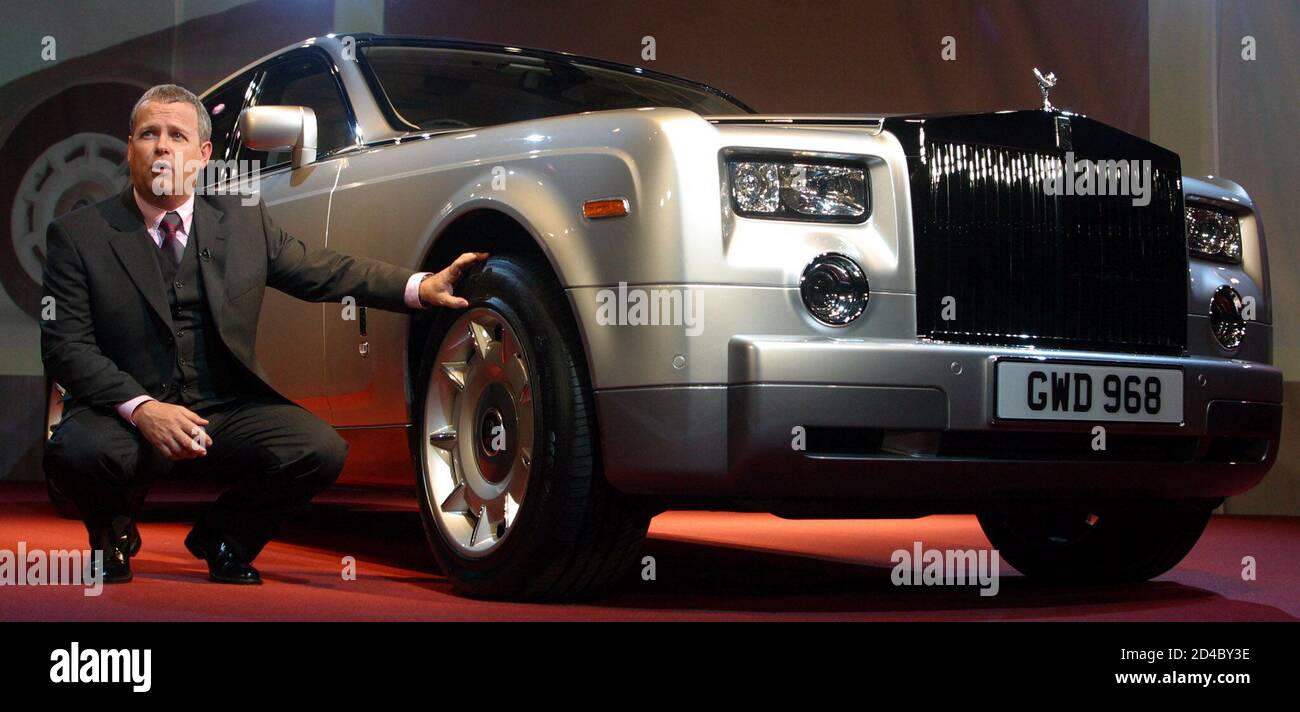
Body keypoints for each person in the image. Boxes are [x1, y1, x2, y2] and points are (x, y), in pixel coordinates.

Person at [41, 84, 486, 584]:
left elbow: (323, 271)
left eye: (177, 135)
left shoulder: (242, 220)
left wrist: (418, 287)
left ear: (203, 154)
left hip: (221, 412)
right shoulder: (79, 235)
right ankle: (112, 532)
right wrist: (143, 409)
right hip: (125, 416)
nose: (162, 146)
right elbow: (67, 348)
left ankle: (223, 537)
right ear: (129, 148)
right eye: (149, 134)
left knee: (318, 449)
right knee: (79, 452)